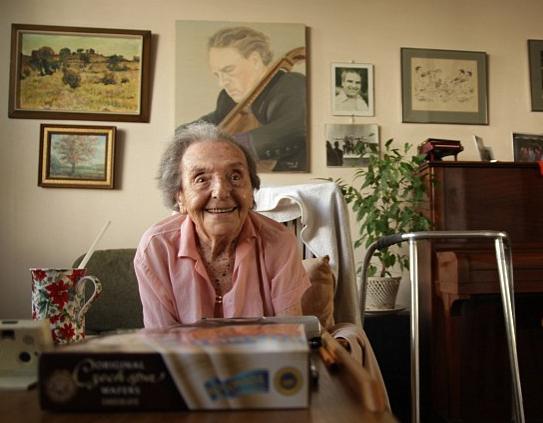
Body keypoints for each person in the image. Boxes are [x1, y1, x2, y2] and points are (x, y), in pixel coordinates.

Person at [134, 122, 310, 327]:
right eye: (201, 179)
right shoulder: (156, 248)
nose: (221, 191)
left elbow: (290, 334)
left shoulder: (279, 242)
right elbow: (162, 341)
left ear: (251, 191)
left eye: (235, 176)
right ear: (179, 197)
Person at [176, 26, 307, 172]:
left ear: (255, 60)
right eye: (217, 75)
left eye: (229, 70)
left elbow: (295, 128)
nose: (222, 83)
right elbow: (215, 121)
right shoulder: (227, 98)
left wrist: (232, 145)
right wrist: (184, 133)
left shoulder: (291, 84)